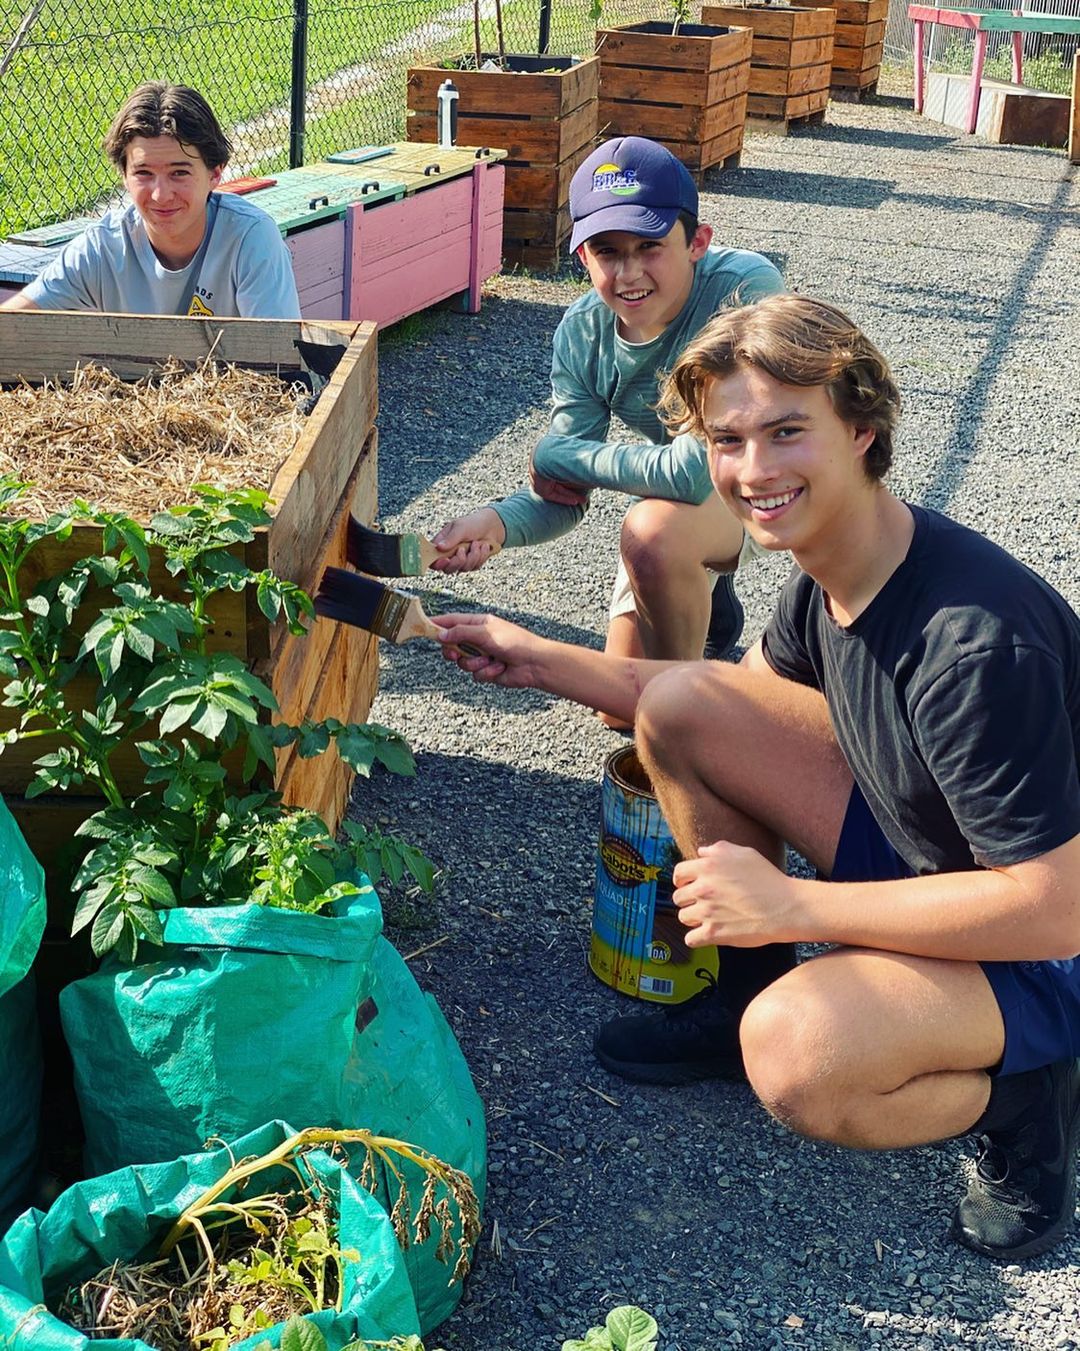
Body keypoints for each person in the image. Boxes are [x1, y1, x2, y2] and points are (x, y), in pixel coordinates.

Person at [433, 294, 1080, 1261]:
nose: (752, 470)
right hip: (935, 863)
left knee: (798, 1056)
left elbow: (1053, 909)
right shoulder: (837, 562)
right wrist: (540, 657)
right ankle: (741, 988)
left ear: (863, 428)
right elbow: (724, 699)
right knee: (683, 710)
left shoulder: (975, 647)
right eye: (728, 440)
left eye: (786, 432)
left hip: (1045, 945)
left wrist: (793, 905)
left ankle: (1027, 1096)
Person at [431, 136, 785, 688]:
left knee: (653, 534)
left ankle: (690, 723)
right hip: (691, 490)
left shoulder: (743, 292)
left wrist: (562, 454)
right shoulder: (582, 331)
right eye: (608, 252)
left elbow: (695, 473)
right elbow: (564, 493)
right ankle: (706, 606)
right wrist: (497, 523)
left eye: (648, 247)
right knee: (615, 704)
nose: (628, 274)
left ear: (697, 242)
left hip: (768, 484)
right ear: (582, 257)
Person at [2, 82, 300, 319]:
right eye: (143, 173)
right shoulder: (101, 248)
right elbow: (15, 322)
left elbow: (280, 362)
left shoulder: (250, 239)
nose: (160, 194)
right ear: (124, 176)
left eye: (179, 173)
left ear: (215, 174)